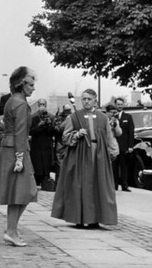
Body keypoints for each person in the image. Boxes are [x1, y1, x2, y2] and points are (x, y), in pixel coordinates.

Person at [51, 88, 119, 229]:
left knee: (98, 185)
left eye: (89, 99)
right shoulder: (74, 117)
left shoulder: (103, 117)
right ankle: (80, 218)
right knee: (81, 186)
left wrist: (113, 152)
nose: (86, 101)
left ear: (95, 100)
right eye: (84, 99)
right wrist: (76, 134)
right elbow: (65, 137)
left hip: (98, 155)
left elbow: (109, 137)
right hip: (80, 156)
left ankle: (95, 218)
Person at [0, 67, 38, 247]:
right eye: (31, 85)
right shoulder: (20, 103)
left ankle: (11, 229)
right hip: (16, 149)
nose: (33, 88)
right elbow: (20, 132)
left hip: (10, 147)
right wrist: (20, 158)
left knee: (18, 192)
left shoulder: (13, 100)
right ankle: (11, 230)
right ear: (22, 84)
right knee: (24, 192)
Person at [29, 97, 57, 187]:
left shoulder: (51, 117)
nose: (42, 106)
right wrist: (39, 125)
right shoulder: (33, 117)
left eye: (43, 104)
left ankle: (46, 180)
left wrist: (49, 125)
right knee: (37, 165)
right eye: (40, 104)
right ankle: (37, 181)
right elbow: (31, 132)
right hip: (36, 145)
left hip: (47, 145)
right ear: (38, 106)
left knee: (47, 164)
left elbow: (52, 132)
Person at [112, 96, 136, 192]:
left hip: (124, 146)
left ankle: (125, 186)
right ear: (115, 105)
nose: (120, 106)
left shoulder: (128, 117)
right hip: (113, 146)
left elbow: (131, 132)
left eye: (121, 104)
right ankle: (114, 185)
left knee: (123, 167)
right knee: (114, 167)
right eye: (118, 104)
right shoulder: (111, 117)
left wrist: (130, 146)